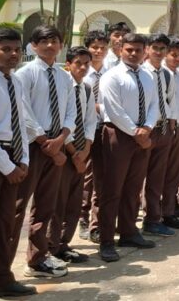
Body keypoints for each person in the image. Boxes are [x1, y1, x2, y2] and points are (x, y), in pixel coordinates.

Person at [13, 26, 75, 277]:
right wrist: (44, 141)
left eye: (54, 41)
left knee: (46, 204)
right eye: (44, 41)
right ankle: (4, 264)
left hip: (56, 144)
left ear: (61, 44)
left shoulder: (64, 77)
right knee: (18, 205)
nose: (50, 46)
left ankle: (38, 259)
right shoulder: (24, 74)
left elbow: (71, 111)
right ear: (33, 45)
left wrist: (60, 139)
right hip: (32, 146)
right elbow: (24, 111)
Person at [98, 33, 159, 262]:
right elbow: (113, 110)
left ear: (145, 51)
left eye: (138, 50)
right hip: (119, 135)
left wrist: (147, 128)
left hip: (142, 134)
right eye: (129, 49)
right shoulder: (112, 76)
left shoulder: (147, 76)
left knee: (133, 189)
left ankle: (128, 232)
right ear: (121, 49)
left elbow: (154, 104)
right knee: (112, 190)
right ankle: (106, 241)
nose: (133, 54)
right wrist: (136, 132)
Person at [49, 47, 96, 264]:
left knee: (74, 200)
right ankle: (51, 245)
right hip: (63, 150)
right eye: (78, 63)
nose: (83, 67)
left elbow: (90, 121)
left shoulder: (86, 88)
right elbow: (61, 121)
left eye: (87, 63)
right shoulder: (62, 86)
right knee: (57, 201)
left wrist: (85, 150)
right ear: (68, 64)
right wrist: (73, 153)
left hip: (80, 152)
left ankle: (63, 244)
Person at [0, 28, 36, 297]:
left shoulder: (15, 82)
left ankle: (3, 279)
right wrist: (7, 166)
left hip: (13, 155)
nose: (13, 54)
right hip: (1, 158)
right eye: (6, 49)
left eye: (17, 49)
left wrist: (22, 159)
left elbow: (20, 123)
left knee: (5, 224)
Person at [141, 34, 176, 237]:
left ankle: (153, 219)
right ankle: (128, 223)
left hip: (163, 129)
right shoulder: (141, 72)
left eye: (162, 48)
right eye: (155, 47)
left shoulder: (166, 74)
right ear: (147, 49)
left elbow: (169, 100)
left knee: (157, 178)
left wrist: (170, 126)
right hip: (146, 129)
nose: (158, 52)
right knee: (138, 177)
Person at [80, 29, 110, 243]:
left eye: (102, 48)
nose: (98, 51)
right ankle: (82, 218)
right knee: (86, 178)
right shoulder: (81, 73)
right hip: (85, 131)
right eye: (94, 47)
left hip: (105, 129)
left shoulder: (111, 72)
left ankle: (96, 223)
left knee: (102, 177)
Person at [161, 36, 179, 229]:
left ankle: (169, 211)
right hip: (163, 128)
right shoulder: (159, 74)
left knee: (174, 173)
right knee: (158, 173)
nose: (177, 58)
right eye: (173, 54)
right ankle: (153, 214)